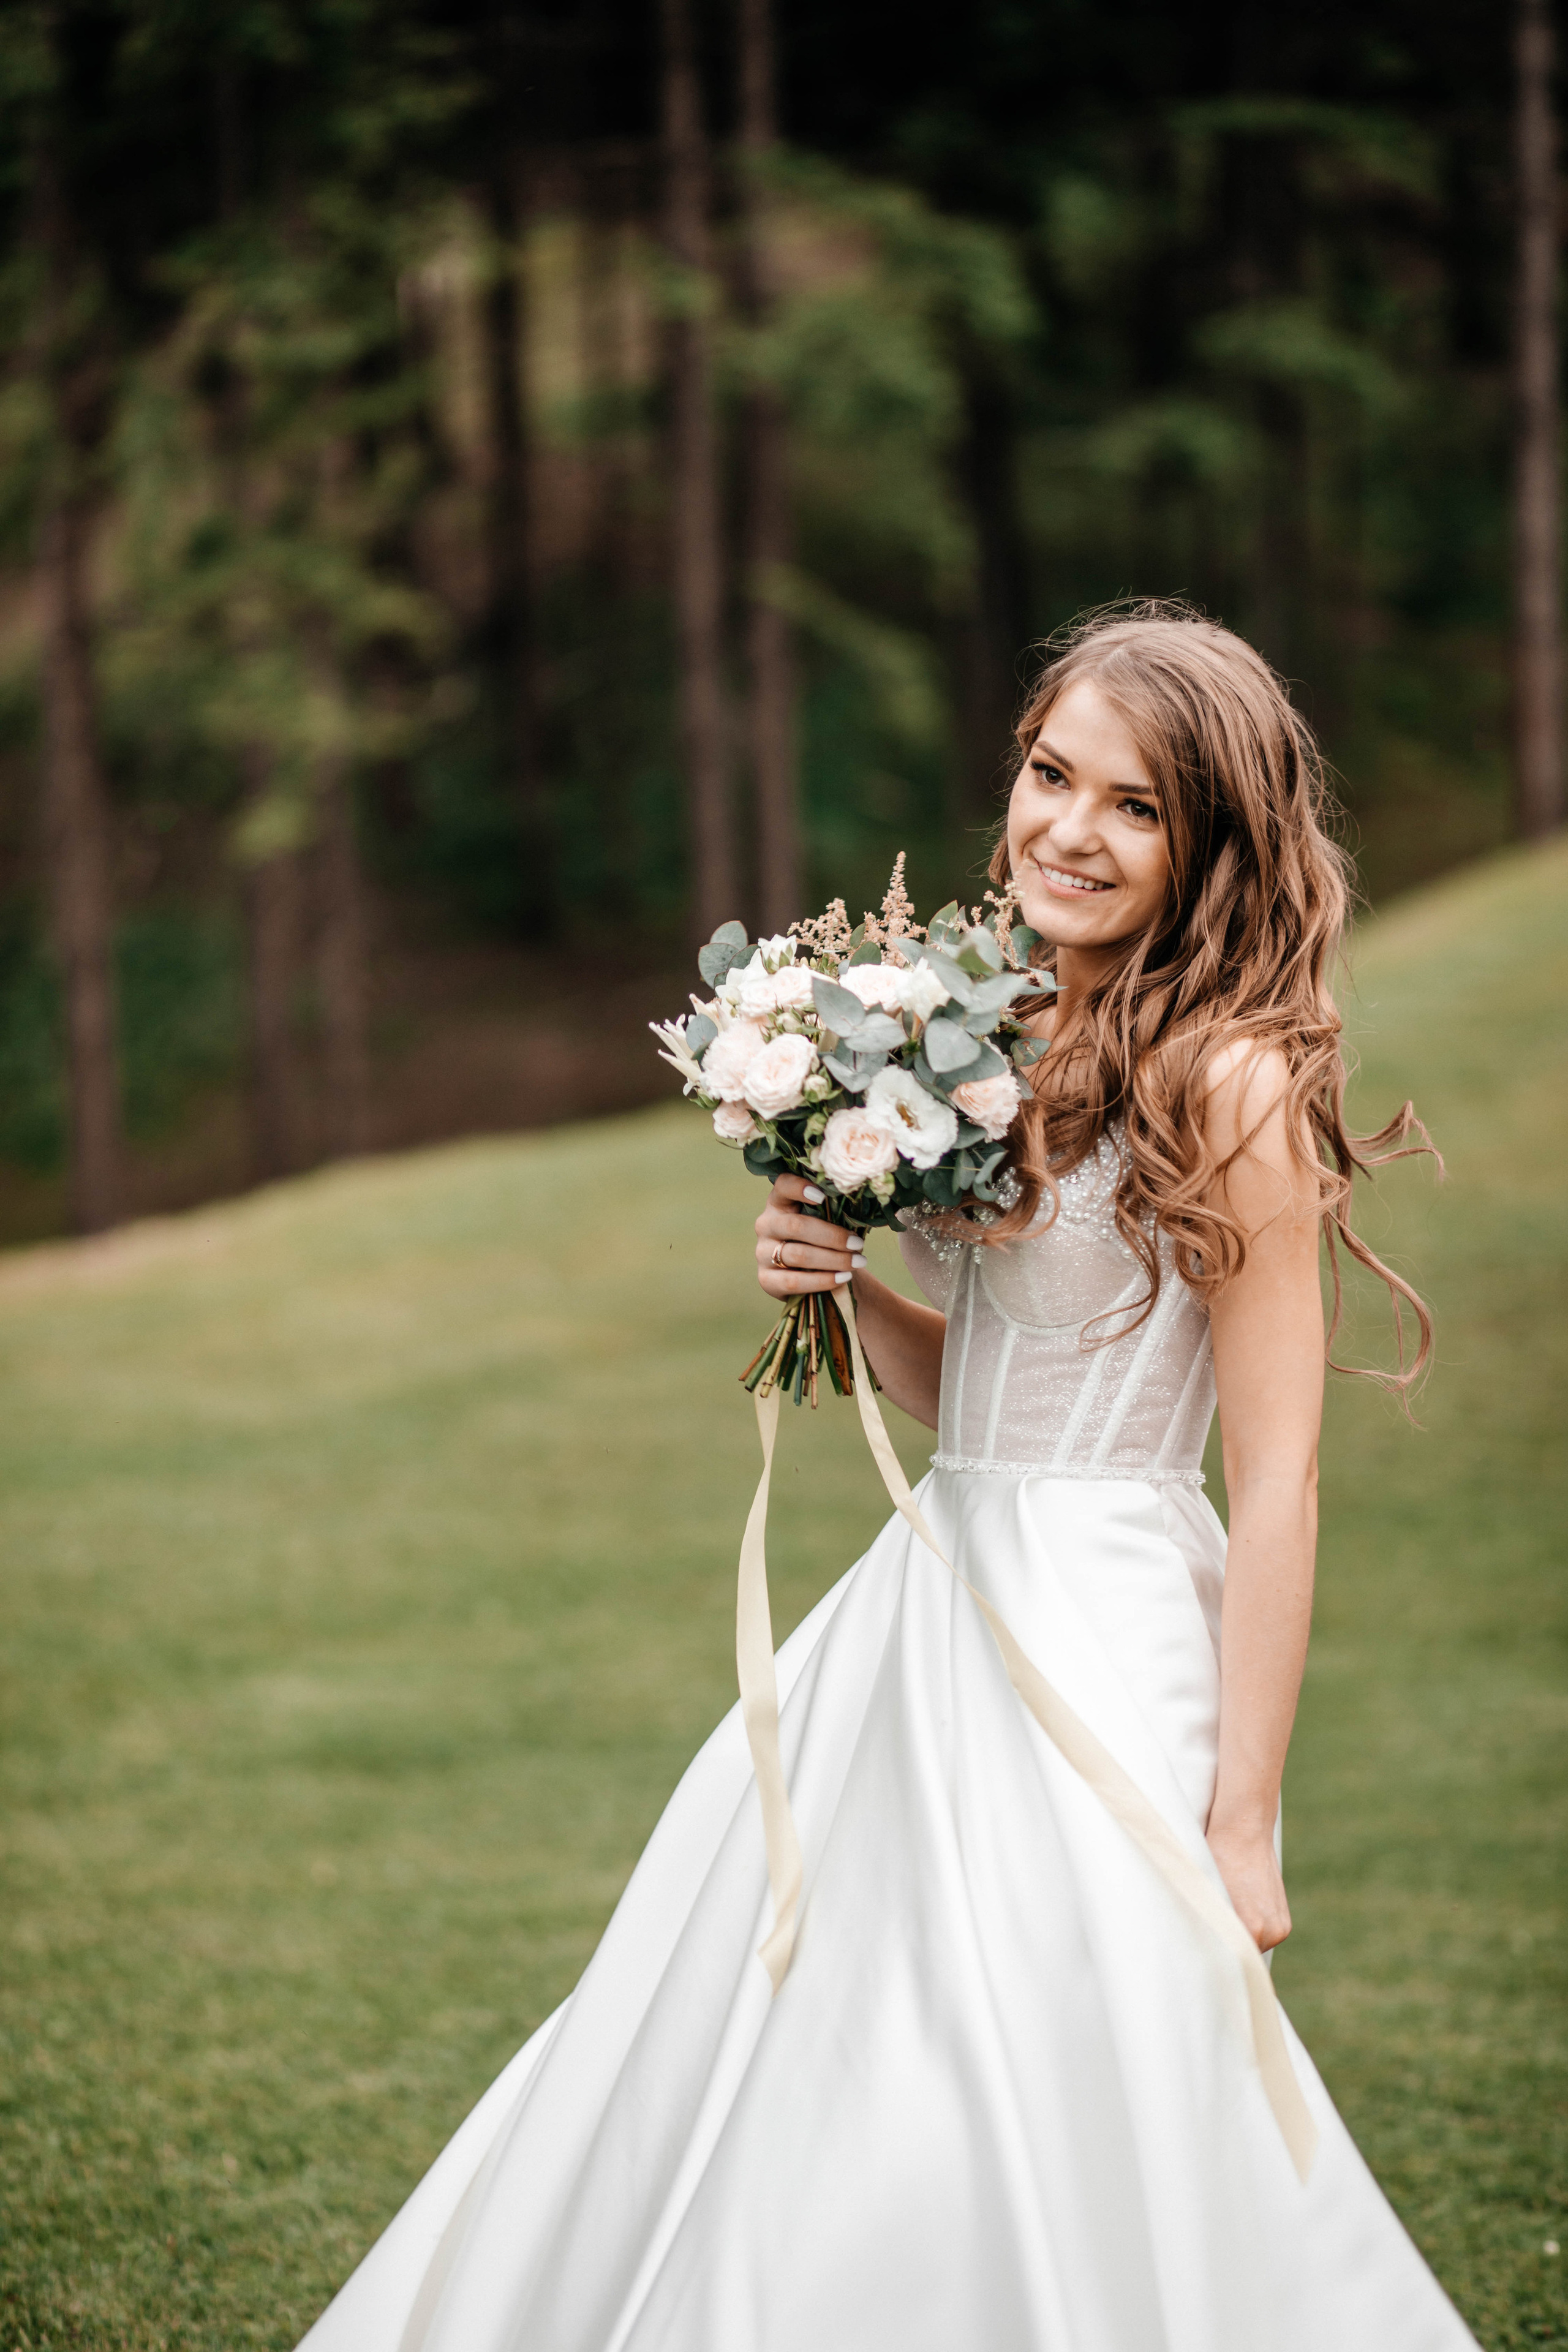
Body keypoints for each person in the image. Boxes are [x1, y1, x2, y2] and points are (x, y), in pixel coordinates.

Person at [296, 607, 1477, 2351]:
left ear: (1212, 844)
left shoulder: (1226, 1078)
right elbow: (987, 1400)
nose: (1070, 829)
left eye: (1136, 807)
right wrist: (840, 1288)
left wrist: (1245, 1818)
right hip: (936, 1594)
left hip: (1108, 1615)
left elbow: (1280, 1474)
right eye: (1050, 775)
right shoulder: (999, 1034)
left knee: (1087, 2034)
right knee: (834, 2014)